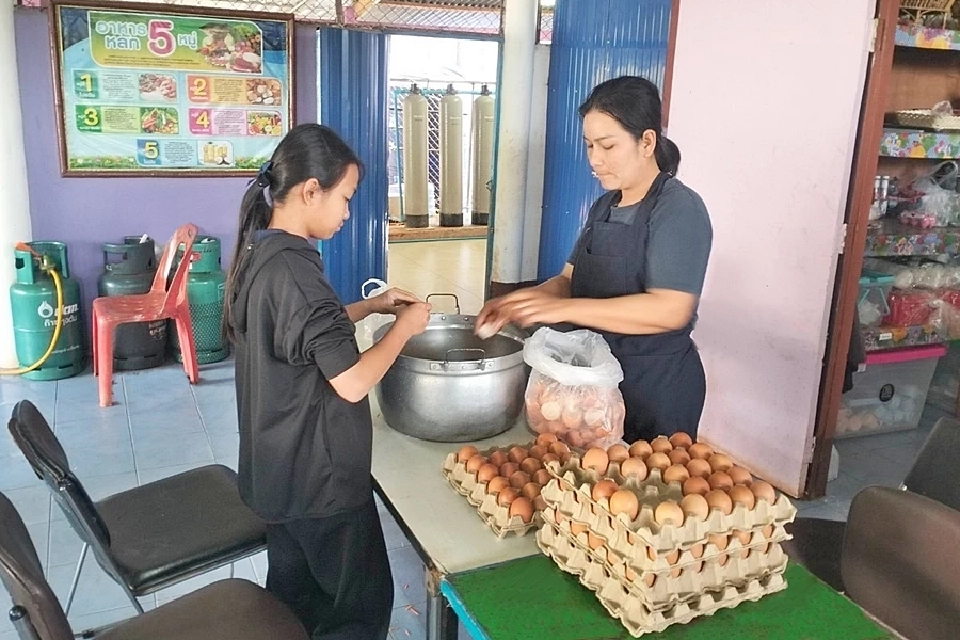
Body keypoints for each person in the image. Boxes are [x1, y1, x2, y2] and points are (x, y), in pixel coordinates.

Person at [223, 123, 432, 640]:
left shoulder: (261, 251)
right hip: (321, 482)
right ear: (311, 190)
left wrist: (371, 306)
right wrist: (404, 326)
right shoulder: (297, 272)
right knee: (359, 610)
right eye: (345, 198)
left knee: (298, 603)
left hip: (276, 470)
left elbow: (302, 330)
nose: (346, 213)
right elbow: (353, 381)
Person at [477, 76, 713, 444]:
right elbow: (567, 279)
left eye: (607, 145)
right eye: (589, 145)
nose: (595, 160)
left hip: (654, 389)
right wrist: (528, 300)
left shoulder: (678, 209)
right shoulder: (605, 206)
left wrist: (565, 310)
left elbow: (671, 309)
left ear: (647, 142)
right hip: (596, 387)